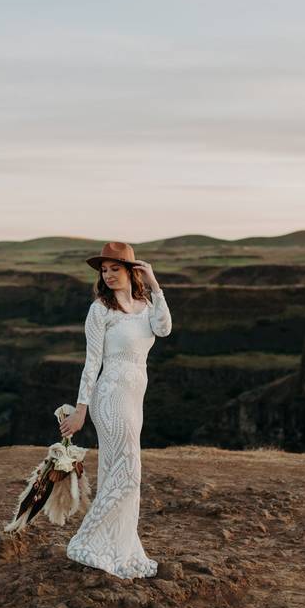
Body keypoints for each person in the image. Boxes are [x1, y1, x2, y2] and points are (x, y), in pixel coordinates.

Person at [61, 241, 172, 579]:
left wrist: (155, 285)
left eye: (115, 269)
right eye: (104, 270)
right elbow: (91, 363)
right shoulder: (100, 310)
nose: (108, 275)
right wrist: (81, 409)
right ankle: (86, 539)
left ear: (131, 271)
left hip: (134, 397)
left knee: (114, 471)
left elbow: (164, 329)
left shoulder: (147, 303)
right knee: (129, 472)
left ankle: (115, 546)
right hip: (109, 397)